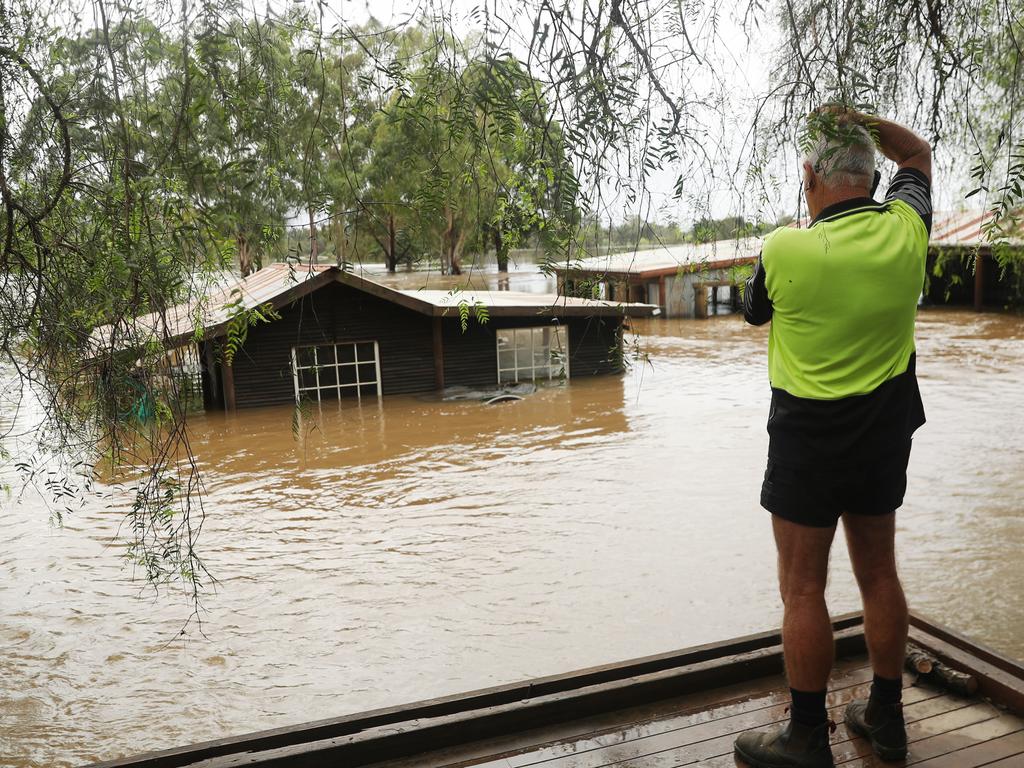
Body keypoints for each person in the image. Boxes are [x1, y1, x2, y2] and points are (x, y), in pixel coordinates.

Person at [732, 107, 932, 768]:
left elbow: (753, 312)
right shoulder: (907, 229)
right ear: (872, 177)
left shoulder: (786, 246)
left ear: (811, 176)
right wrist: (866, 122)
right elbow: (919, 157)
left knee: (802, 589)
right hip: (883, 435)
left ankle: (806, 738)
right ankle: (887, 718)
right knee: (879, 574)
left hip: (806, 442)